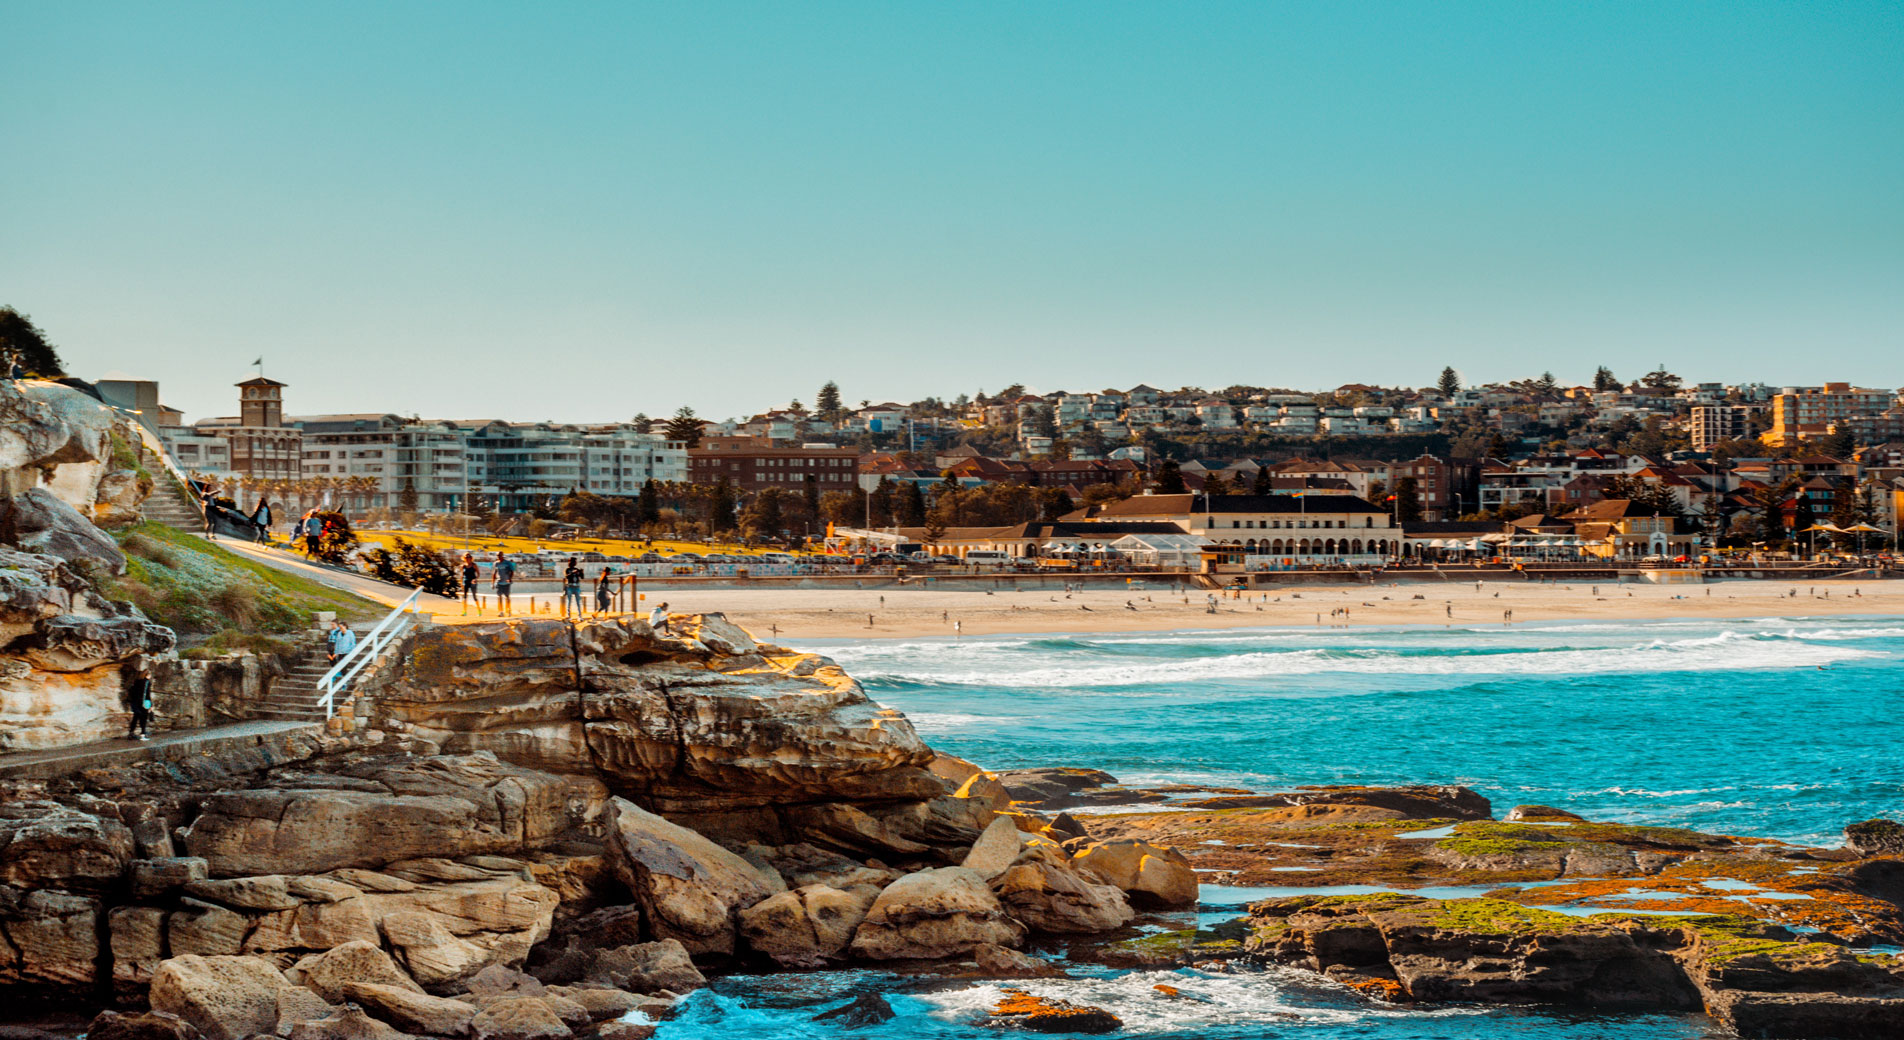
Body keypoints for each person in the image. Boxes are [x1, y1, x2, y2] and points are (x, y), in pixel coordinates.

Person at [124, 656, 153, 740]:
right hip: (143, 703)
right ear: (148, 675)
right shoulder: (147, 682)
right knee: (143, 718)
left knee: (135, 717)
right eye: (150, 675)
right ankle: (142, 734)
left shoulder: (137, 682)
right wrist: (150, 704)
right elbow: (147, 694)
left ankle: (131, 733)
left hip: (135, 703)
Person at [493, 552, 516, 616]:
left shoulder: (507, 563)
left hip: (506, 582)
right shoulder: (496, 563)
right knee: (499, 596)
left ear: (502, 556)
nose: (498, 557)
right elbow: (494, 573)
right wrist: (493, 582)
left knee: (507, 596)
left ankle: (508, 610)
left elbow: (512, 571)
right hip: (499, 582)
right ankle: (501, 611)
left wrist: (510, 578)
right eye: (497, 555)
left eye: (500, 555)